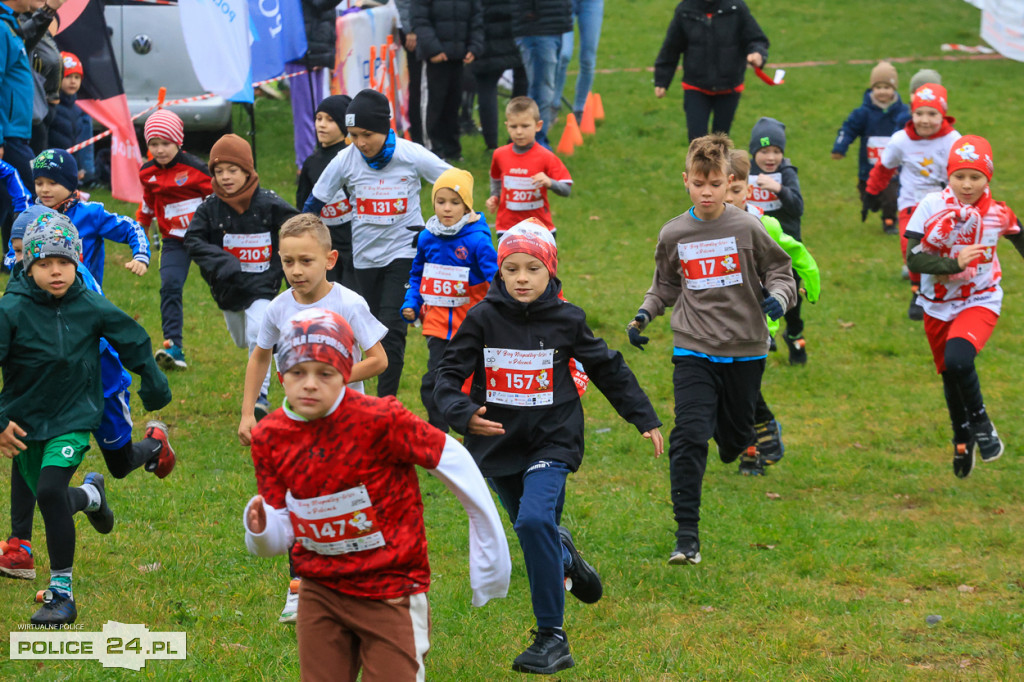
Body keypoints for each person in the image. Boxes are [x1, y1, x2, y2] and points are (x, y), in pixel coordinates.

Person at [434, 223, 663, 674]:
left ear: (550, 271)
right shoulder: (481, 318)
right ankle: (563, 554)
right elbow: (445, 376)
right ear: (499, 273)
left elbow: (607, 367)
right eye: (511, 269)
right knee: (533, 529)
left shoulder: (568, 319)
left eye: (532, 269)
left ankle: (551, 637)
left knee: (534, 518)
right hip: (497, 444)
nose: (521, 277)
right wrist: (462, 413)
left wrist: (642, 416)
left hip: (552, 439)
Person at [243, 307, 511, 681]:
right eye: (297, 372)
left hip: (391, 588)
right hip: (320, 588)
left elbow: (454, 459)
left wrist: (489, 556)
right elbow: (280, 532)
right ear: (281, 374)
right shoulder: (271, 436)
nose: (309, 384)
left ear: (346, 373)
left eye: (325, 373)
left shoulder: (379, 419)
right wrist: (260, 529)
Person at [626, 133, 795, 565]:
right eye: (699, 183)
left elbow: (780, 270)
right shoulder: (674, 233)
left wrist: (780, 296)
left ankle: (735, 436)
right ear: (686, 181)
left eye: (716, 184)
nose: (707, 192)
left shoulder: (747, 226)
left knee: (735, 437)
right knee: (689, 433)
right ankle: (687, 536)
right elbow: (664, 285)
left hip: (746, 347)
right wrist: (643, 315)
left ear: (730, 182)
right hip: (694, 345)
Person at [0, 213, 171, 625]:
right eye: (43, 263)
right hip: (25, 421)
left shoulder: (88, 303)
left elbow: (131, 337)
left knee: (48, 489)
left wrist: (152, 381)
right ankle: (92, 497)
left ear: (77, 261)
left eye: (63, 262)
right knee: (50, 493)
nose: (55, 271)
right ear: (28, 266)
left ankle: (61, 593)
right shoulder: (11, 309)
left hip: (75, 415)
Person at [236, 214, 388, 624]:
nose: (296, 271)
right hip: (295, 426)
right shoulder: (278, 308)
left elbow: (378, 359)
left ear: (330, 259)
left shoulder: (348, 304)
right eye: (287, 262)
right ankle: (299, 587)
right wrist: (249, 411)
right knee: (296, 500)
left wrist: (331, 377)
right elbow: (260, 355)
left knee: (347, 502)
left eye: (306, 261)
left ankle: (360, 579)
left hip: (345, 426)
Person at [304, 88, 451, 398]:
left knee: (391, 332)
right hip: (365, 258)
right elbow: (314, 202)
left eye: (367, 134)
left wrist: (446, 227)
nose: (360, 143)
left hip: (405, 252)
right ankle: (356, 397)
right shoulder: (346, 159)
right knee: (365, 333)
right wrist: (302, 239)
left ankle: (385, 404)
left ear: (385, 128)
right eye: (354, 135)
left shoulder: (410, 154)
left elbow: (456, 180)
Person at [905, 135, 1024, 478]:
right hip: (937, 304)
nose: (967, 185)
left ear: (989, 178)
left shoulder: (998, 213)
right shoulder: (930, 206)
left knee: (959, 360)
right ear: (949, 176)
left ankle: (982, 424)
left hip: (981, 299)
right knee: (949, 373)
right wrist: (953, 265)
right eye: (960, 176)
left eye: (976, 177)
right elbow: (914, 259)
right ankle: (962, 437)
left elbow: (1018, 235)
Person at [185, 133, 298, 419]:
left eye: (232, 170)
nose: (225, 177)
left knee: (257, 333)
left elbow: (298, 227)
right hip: (229, 290)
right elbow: (192, 241)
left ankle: (259, 399)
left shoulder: (269, 203)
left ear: (248, 171)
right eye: (218, 171)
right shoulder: (209, 208)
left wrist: (287, 265)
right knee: (241, 338)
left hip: (264, 286)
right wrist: (222, 261)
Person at [724, 149, 820, 470]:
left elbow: (798, 254)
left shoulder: (764, 225)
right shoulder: (704, 227)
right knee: (727, 386)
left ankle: (755, 447)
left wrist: (811, 285)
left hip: (759, 324)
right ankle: (751, 444)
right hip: (720, 323)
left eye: (736, 191)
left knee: (743, 387)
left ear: (748, 190)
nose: (729, 198)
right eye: (723, 190)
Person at [402, 168, 497, 430]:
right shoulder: (426, 237)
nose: (446, 208)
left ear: (467, 206)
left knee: (475, 385)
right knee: (433, 383)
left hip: (472, 328)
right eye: (440, 201)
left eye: (455, 202)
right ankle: (440, 437)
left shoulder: (478, 241)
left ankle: (478, 431)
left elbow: (497, 281)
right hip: (438, 325)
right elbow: (417, 275)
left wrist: (497, 312)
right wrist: (411, 303)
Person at [864, 83, 960, 321]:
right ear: (911, 114)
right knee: (911, 247)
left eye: (932, 114)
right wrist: (871, 193)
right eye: (919, 113)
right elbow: (884, 168)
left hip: (944, 204)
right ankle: (917, 292)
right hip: (912, 203)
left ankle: (947, 287)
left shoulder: (953, 140)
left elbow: (964, 173)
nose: (925, 120)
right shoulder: (900, 140)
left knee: (941, 246)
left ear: (943, 115)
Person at [136, 109, 213, 371]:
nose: (159, 150)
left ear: (178, 142)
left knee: (226, 284)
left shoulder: (197, 169)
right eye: (153, 144)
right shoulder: (147, 173)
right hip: (173, 241)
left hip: (204, 239)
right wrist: (140, 230)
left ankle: (256, 333)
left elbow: (216, 200)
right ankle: (174, 347)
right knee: (169, 287)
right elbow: (147, 203)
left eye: (165, 143)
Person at [653, 0, 768, 142]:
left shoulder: (736, 8)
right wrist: (662, 80)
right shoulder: (685, 10)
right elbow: (671, 47)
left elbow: (756, 39)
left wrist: (757, 53)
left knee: (720, 142)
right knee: (697, 141)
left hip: (729, 87)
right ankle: (697, 165)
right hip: (695, 86)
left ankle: (720, 164)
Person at [32, 148, 150, 285]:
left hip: (85, 298)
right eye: (39, 183)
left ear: (70, 183)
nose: (44, 189)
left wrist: (141, 256)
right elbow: (15, 250)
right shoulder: (31, 217)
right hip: (43, 298)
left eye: (53, 183)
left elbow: (131, 228)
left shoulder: (91, 214)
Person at [747, 117, 807, 364]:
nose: (770, 157)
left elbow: (798, 208)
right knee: (756, 294)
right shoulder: (744, 174)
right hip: (754, 249)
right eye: (764, 151)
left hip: (786, 250)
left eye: (776, 151)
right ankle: (762, 338)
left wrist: (778, 189)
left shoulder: (786, 174)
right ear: (753, 153)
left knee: (791, 300)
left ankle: (795, 337)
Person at [831, 61, 910, 235]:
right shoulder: (863, 113)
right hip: (868, 168)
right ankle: (872, 203)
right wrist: (840, 148)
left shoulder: (903, 113)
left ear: (894, 89)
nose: (882, 91)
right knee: (869, 198)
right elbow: (848, 129)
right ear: (872, 88)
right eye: (878, 87)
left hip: (892, 170)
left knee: (891, 197)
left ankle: (889, 221)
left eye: (887, 87)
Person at [485, 96, 572, 237]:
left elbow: (566, 189)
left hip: (540, 229)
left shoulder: (546, 156)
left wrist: (550, 182)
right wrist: (494, 196)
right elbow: (495, 177)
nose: (519, 132)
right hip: (507, 229)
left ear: (538, 126)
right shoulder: (499, 155)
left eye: (525, 126)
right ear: (507, 126)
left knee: (538, 261)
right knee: (509, 261)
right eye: (514, 127)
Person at [412, 0, 484, 162]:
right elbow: (420, 19)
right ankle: (431, 150)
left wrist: (474, 46)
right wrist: (433, 49)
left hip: (458, 57)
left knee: (453, 105)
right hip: (434, 59)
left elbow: (476, 18)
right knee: (433, 105)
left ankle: (452, 150)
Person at [296, 94, 356, 287]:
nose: (322, 124)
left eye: (330, 120)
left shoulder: (352, 159)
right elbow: (302, 206)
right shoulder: (311, 163)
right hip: (325, 247)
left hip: (355, 246)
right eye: (319, 118)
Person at [512, 0, 572, 147]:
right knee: (541, 92)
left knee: (545, 91)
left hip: (554, 26)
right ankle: (534, 144)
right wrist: (529, 13)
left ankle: (536, 142)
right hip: (538, 28)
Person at [473, 0, 528, 151]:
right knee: (522, 84)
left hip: (485, 26)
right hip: (517, 25)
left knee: (487, 86)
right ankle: (518, 138)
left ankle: (491, 144)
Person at [552, 0, 603, 124]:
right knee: (563, 54)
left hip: (591, 3)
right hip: (566, 3)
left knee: (588, 58)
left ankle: (580, 108)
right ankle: (553, 104)